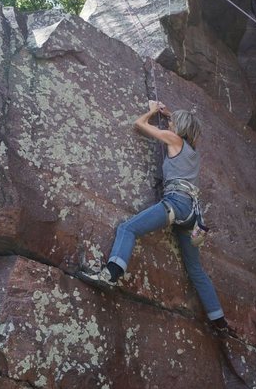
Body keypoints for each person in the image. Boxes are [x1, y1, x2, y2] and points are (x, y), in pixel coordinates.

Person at [80, 100, 234, 336]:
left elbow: (139, 124)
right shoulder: (193, 152)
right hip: (192, 215)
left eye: (172, 122)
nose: (169, 124)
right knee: (195, 269)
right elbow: (184, 122)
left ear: (178, 128)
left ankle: (111, 274)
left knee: (128, 229)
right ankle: (219, 321)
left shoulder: (174, 140)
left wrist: (152, 112)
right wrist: (169, 112)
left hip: (176, 204)